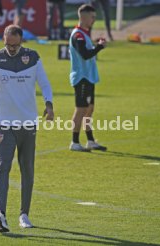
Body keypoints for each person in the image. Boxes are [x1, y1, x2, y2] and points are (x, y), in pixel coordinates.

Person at [0, 25, 54, 232]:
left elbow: (44, 83)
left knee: (27, 168)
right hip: (3, 122)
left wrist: (49, 104)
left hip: (28, 121)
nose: (10, 48)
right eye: (7, 44)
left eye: (14, 45)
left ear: (21, 41)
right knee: (3, 167)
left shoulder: (33, 57)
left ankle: (24, 214)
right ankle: (1, 214)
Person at [69, 4, 107, 152]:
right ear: (84, 17)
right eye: (92, 17)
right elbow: (84, 55)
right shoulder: (78, 35)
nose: (94, 20)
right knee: (81, 109)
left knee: (89, 109)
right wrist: (99, 47)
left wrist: (96, 45)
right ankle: (74, 142)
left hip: (89, 77)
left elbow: (86, 51)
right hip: (81, 78)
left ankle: (90, 141)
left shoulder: (83, 33)